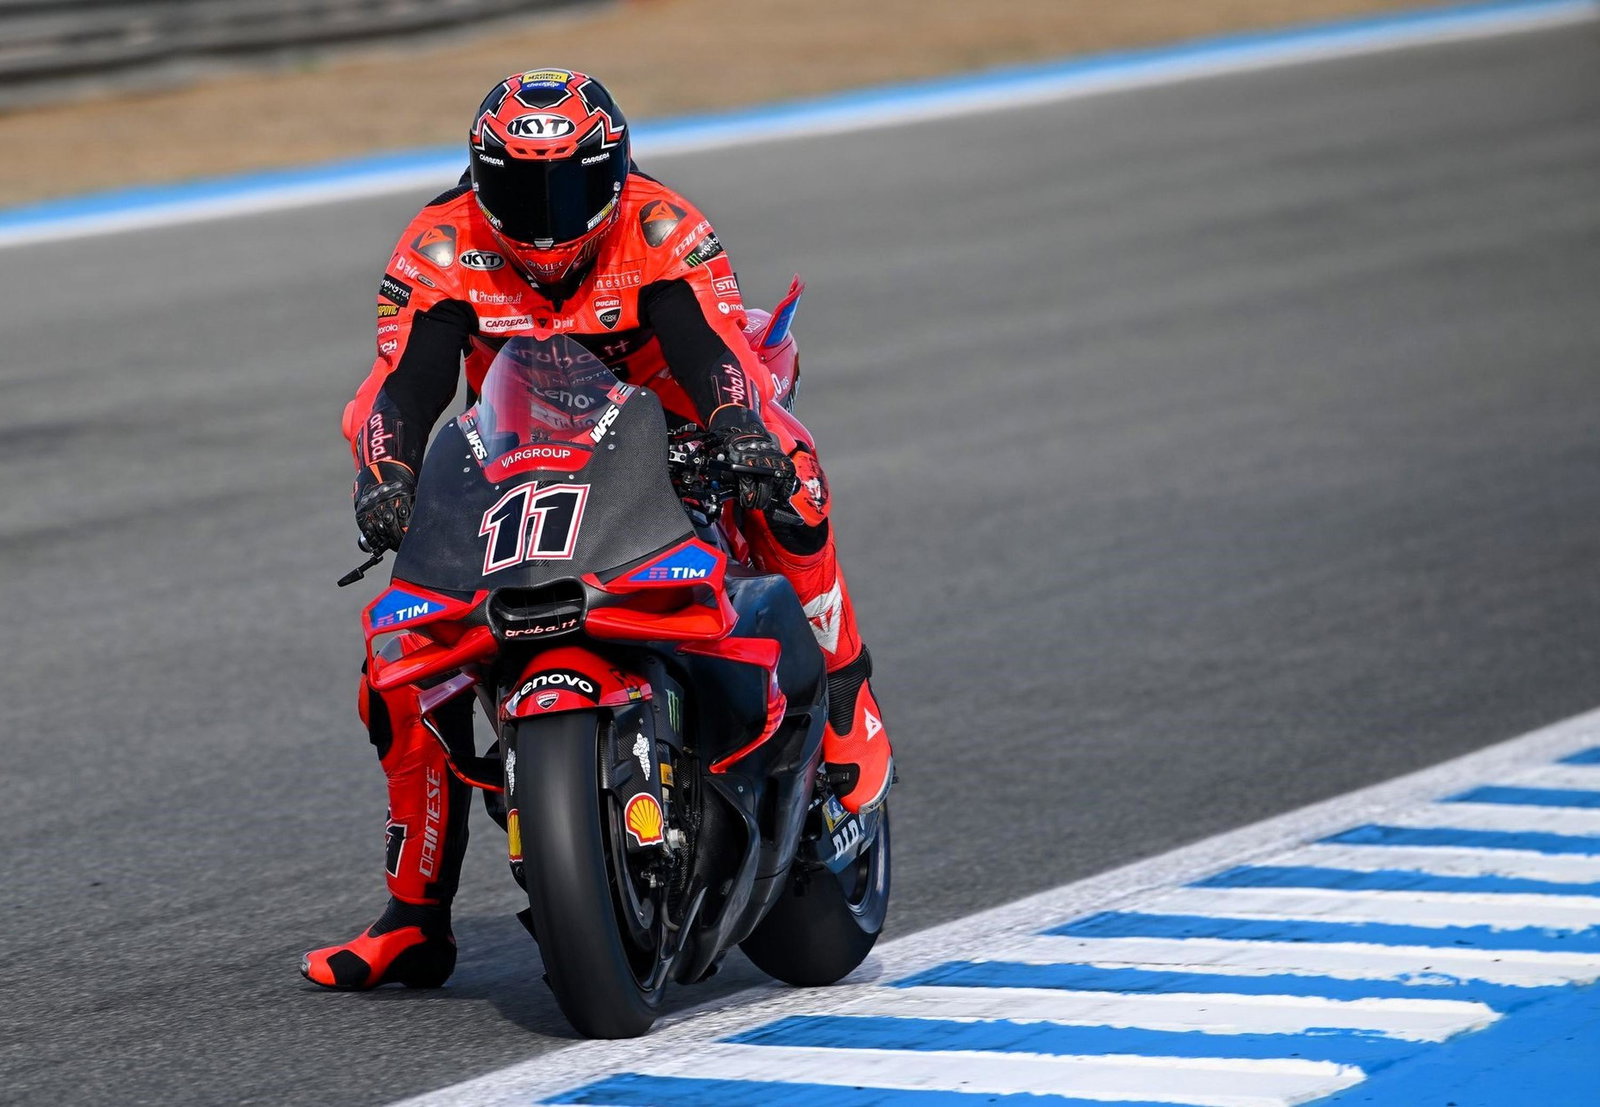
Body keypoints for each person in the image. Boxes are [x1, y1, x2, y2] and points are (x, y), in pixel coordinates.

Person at [301, 69, 893, 991]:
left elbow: (711, 350)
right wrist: (390, 475)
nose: (546, 221)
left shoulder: (661, 229)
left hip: (673, 425)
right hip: (523, 447)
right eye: (520, 188)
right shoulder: (439, 245)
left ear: (613, 173)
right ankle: (414, 917)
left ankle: (848, 694)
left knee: (792, 469)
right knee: (400, 658)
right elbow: (402, 385)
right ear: (479, 177)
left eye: (570, 187)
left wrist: (736, 429)